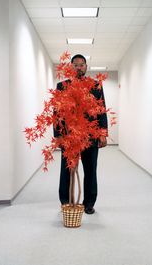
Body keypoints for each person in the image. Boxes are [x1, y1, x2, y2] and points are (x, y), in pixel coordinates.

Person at [54, 54, 108, 214]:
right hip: (69, 136)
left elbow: (101, 110)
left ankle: (89, 203)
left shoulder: (95, 86)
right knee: (66, 169)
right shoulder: (62, 86)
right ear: (71, 67)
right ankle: (65, 201)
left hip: (90, 136)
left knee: (90, 170)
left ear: (86, 67)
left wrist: (103, 133)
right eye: (75, 65)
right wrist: (59, 134)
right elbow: (57, 113)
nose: (79, 67)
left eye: (82, 64)